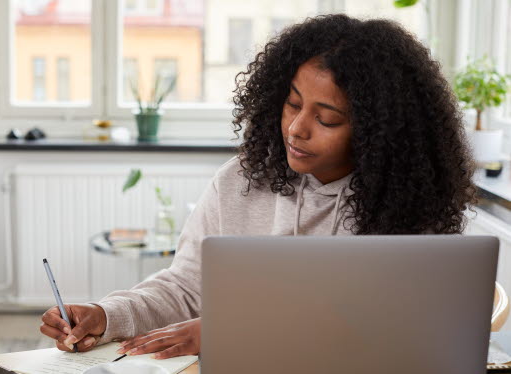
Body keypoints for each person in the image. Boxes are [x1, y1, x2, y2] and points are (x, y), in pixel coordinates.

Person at [39, 13, 476, 359]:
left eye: (327, 119)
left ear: (378, 133)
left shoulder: (407, 201)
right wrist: (106, 315)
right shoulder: (241, 179)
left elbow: (390, 325)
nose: (297, 128)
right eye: (292, 104)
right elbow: (187, 287)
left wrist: (233, 332)